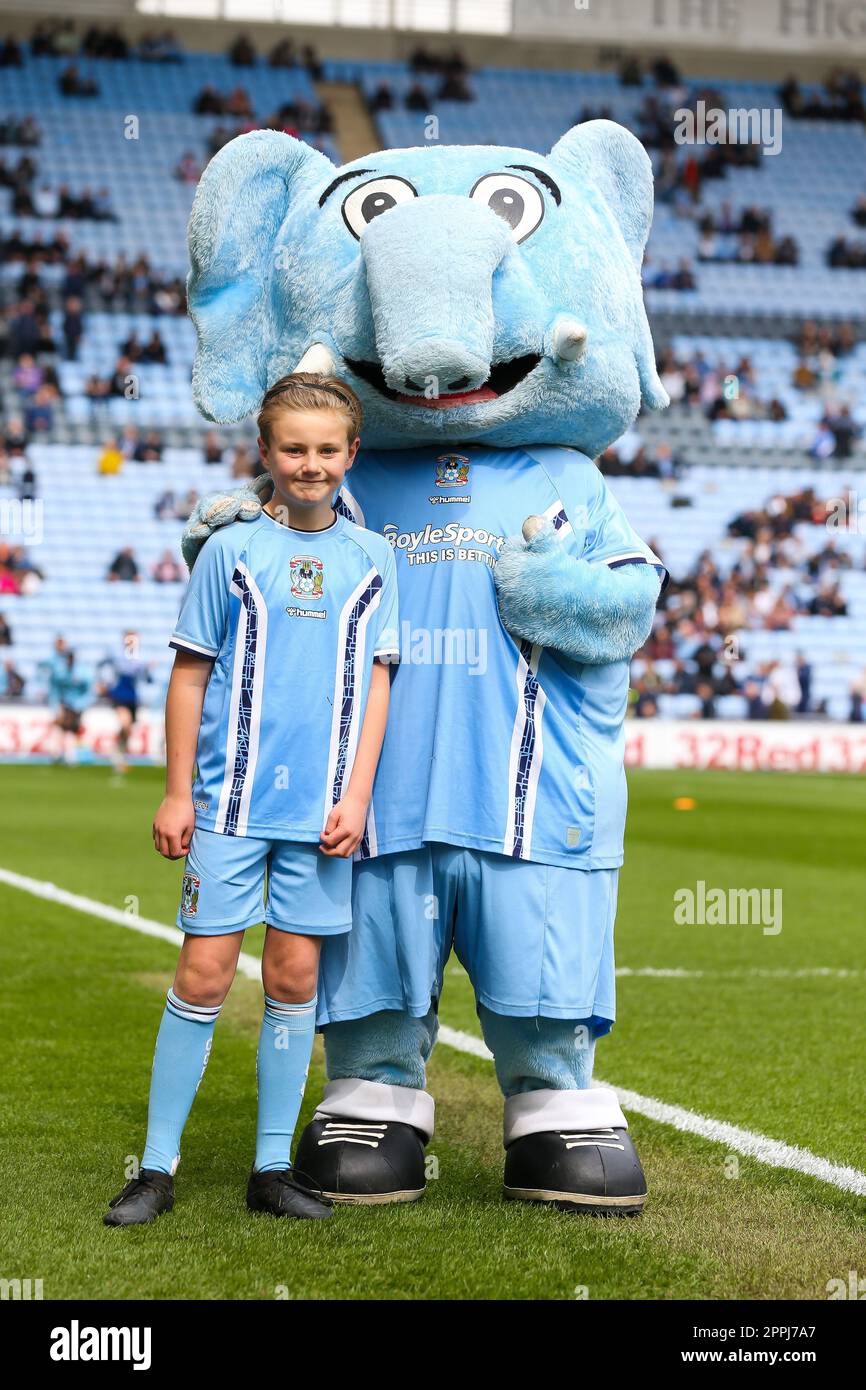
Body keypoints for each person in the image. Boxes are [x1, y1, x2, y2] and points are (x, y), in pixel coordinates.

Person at [104, 375, 399, 1227]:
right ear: (265, 453)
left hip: (321, 816)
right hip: (229, 807)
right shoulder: (229, 550)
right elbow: (189, 676)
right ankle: (155, 1169)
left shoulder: (374, 560)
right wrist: (173, 793)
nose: (310, 465)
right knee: (202, 971)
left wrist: (357, 794)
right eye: (294, 449)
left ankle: (271, 1169)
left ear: (351, 455)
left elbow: (377, 687)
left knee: (294, 974)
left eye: (327, 450)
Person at [98, 631, 154, 774]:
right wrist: (102, 683)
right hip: (118, 696)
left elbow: (147, 680)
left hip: (132, 698)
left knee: (127, 729)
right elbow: (101, 666)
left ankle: (119, 754)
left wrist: (148, 670)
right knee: (125, 723)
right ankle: (118, 756)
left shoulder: (140, 659)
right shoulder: (117, 656)